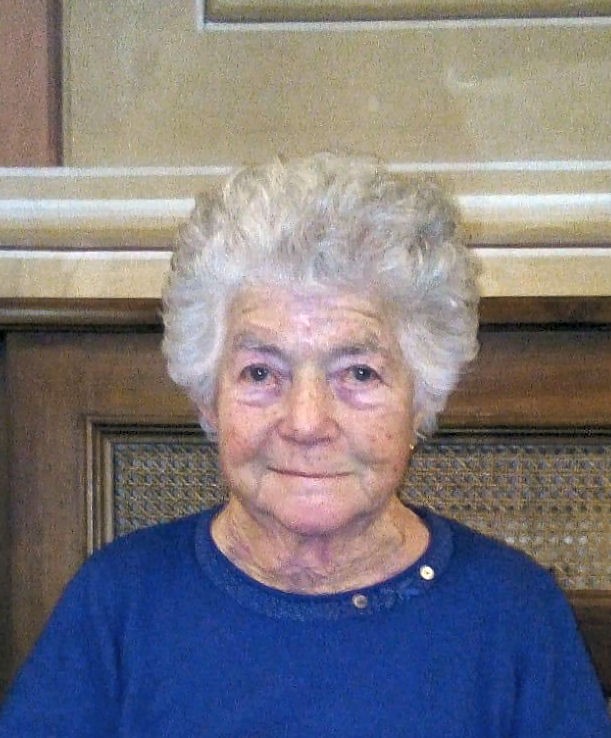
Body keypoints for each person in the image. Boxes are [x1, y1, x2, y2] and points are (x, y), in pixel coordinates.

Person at [0, 153, 608, 737]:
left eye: (359, 373)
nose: (307, 422)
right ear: (208, 399)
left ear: (421, 399)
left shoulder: (513, 614)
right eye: (261, 373)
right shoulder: (118, 604)